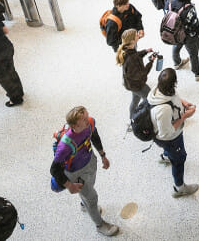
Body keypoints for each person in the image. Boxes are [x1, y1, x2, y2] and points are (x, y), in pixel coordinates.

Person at [50, 106, 120, 236]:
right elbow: (54, 169)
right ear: (75, 125)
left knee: (90, 185)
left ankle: (84, 205)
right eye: (84, 119)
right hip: (76, 173)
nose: (88, 120)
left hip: (90, 161)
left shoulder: (89, 124)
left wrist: (102, 155)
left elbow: (94, 136)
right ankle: (100, 225)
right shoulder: (65, 145)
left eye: (87, 116)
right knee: (92, 198)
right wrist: (69, 185)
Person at [149, 68, 199, 197]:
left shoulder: (159, 89)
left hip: (170, 136)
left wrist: (183, 103)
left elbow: (173, 97)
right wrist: (185, 116)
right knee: (179, 160)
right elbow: (166, 133)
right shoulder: (163, 110)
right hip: (171, 139)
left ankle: (166, 156)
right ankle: (180, 188)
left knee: (171, 152)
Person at [118, 28, 155, 120]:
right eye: (136, 35)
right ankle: (147, 118)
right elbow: (142, 74)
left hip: (130, 84)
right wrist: (150, 62)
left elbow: (136, 55)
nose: (139, 35)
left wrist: (145, 51)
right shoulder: (132, 59)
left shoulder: (127, 50)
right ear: (132, 41)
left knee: (135, 101)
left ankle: (132, 119)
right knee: (151, 99)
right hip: (138, 85)